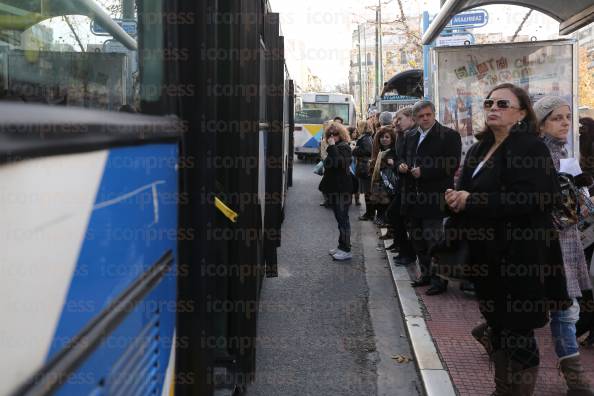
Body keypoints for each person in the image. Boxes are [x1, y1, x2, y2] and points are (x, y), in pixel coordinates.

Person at [445, 83, 570, 396]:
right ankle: (502, 390)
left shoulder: (531, 148)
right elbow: (471, 192)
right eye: (488, 103)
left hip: (522, 256)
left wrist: (472, 200)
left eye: (502, 103)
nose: (493, 108)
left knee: (519, 330)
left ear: (522, 112)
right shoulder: (477, 148)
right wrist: (453, 198)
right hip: (486, 257)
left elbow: (536, 199)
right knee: (497, 326)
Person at [534, 96, 594, 395]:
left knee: (562, 310)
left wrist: (581, 200)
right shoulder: (538, 156)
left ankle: (575, 380)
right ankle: (576, 380)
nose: (566, 122)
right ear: (542, 122)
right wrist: (578, 206)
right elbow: (549, 208)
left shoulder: (566, 154)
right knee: (557, 310)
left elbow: (580, 202)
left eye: (567, 117)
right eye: (557, 117)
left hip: (568, 244)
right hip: (547, 246)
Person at [398, 100, 462, 296]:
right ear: (415, 118)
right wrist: (401, 166)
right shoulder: (410, 135)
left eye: (428, 114)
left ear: (434, 114)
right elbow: (402, 157)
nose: (425, 118)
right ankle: (425, 274)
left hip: (435, 197)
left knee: (434, 239)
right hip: (412, 197)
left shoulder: (449, 135)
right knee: (417, 239)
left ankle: (439, 280)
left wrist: (424, 171)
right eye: (421, 116)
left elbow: (452, 164)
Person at [385, 107, 416, 265]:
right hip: (403, 185)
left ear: (412, 119)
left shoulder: (414, 135)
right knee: (395, 215)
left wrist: (405, 165)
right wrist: (398, 164)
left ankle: (408, 253)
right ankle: (404, 251)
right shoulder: (401, 135)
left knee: (404, 219)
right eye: (395, 120)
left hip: (413, 187)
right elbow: (398, 157)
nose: (396, 122)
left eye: (400, 119)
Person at [320, 121, 353, 261]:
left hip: (342, 190)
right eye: (330, 134)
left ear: (342, 134)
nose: (332, 136)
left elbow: (340, 163)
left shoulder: (344, 147)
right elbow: (327, 165)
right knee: (340, 220)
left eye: (335, 133)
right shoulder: (334, 147)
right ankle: (341, 246)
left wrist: (332, 146)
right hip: (335, 189)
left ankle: (346, 249)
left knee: (343, 219)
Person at [369, 126, 397, 226]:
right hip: (378, 182)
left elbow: (397, 168)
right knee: (378, 203)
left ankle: (387, 222)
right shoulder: (378, 151)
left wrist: (393, 163)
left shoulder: (395, 151)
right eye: (382, 137)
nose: (384, 139)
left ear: (392, 139)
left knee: (387, 203)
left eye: (387, 137)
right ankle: (381, 219)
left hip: (390, 184)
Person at [354, 120, 375, 219]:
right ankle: (369, 213)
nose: (357, 128)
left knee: (367, 191)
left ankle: (369, 214)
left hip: (364, 166)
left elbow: (368, 151)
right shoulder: (366, 137)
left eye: (358, 126)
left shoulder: (365, 138)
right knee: (367, 191)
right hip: (364, 165)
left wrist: (354, 150)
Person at [348, 126, 361, 205]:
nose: (355, 134)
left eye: (356, 132)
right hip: (350, 162)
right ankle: (349, 198)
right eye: (353, 132)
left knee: (357, 181)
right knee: (350, 181)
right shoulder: (346, 141)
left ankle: (357, 199)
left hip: (357, 162)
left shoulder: (359, 141)